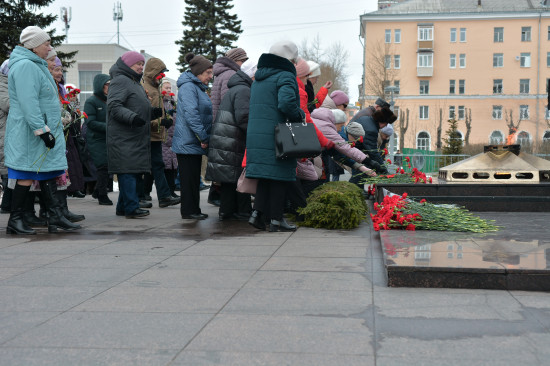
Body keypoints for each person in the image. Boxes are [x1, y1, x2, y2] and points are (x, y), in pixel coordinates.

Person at [5, 26, 81, 234]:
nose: (49, 47)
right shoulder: (26, 67)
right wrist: (42, 130)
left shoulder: (34, 65)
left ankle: (54, 216)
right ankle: (15, 220)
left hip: (40, 129)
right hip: (31, 132)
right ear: (33, 45)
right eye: (46, 43)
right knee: (26, 175)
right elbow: (29, 102)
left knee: (46, 172)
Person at [245, 40, 306, 232]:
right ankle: (276, 220)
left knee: (266, 175)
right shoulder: (285, 76)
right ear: (290, 59)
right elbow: (286, 104)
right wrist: (300, 115)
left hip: (258, 135)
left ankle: (257, 214)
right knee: (281, 176)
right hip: (278, 135)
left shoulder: (259, 78)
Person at [107, 50, 163, 218]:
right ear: (128, 64)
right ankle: (131, 208)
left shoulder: (133, 82)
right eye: (138, 64)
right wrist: (133, 118)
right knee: (128, 172)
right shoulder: (121, 81)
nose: (141, 67)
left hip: (133, 135)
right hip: (124, 136)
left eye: (142, 64)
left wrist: (152, 113)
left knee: (131, 171)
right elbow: (114, 106)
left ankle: (123, 207)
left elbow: (135, 107)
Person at [205, 60, 257, 221]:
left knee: (229, 179)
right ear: (252, 74)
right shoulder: (243, 90)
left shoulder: (236, 88)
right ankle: (242, 211)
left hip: (226, 138)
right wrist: (254, 133)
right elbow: (244, 117)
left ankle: (227, 211)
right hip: (232, 140)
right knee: (238, 177)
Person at [173, 53, 213, 220]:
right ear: (198, 72)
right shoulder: (189, 87)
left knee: (193, 178)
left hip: (192, 141)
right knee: (189, 179)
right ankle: (189, 211)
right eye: (207, 73)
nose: (210, 77)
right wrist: (203, 137)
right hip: (188, 141)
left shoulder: (197, 87)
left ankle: (193, 209)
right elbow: (192, 114)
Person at [141, 57, 180, 208]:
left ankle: (163, 196)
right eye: (160, 73)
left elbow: (159, 111)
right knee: (148, 166)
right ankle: (145, 195)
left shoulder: (155, 88)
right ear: (152, 73)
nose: (162, 76)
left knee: (157, 165)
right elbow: (143, 116)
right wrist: (159, 122)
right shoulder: (145, 88)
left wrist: (167, 119)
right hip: (148, 135)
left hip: (156, 135)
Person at [83, 73, 112, 205]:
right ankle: (102, 195)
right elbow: (90, 122)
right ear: (100, 85)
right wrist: (110, 127)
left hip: (108, 138)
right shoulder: (91, 101)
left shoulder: (109, 100)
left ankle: (97, 190)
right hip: (96, 139)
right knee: (103, 166)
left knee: (108, 166)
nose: (109, 87)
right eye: (107, 84)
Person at [160, 80, 179, 198]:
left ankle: (171, 191)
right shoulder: (161, 103)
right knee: (166, 168)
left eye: (170, 88)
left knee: (173, 168)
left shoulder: (172, 103)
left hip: (173, 140)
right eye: (166, 88)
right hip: (165, 140)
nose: (168, 90)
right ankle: (166, 193)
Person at [0, 60, 11, 214]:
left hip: (7, 132)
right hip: (3, 133)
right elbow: (9, 104)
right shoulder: (2, 86)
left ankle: (8, 204)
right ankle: (6, 204)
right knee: (6, 170)